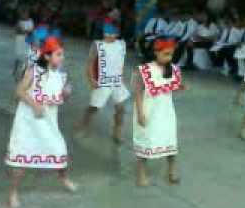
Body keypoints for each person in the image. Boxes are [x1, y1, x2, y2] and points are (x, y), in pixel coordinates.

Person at [5, 36, 77, 208]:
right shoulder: (33, 71)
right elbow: (19, 91)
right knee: (21, 156)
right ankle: (12, 192)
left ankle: (64, 178)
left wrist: (66, 94)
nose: (62, 58)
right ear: (47, 56)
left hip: (49, 123)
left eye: (62, 55)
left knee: (59, 149)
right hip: (28, 122)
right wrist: (34, 104)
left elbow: (59, 99)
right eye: (59, 55)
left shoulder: (61, 76)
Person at [133, 36, 184, 187]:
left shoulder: (173, 69)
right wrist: (140, 113)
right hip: (148, 110)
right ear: (156, 52)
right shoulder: (143, 70)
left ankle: (171, 169)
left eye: (171, 54)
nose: (169, 57)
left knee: (170, 140)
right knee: (146, 140)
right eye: (166, 54)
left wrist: (180, 87)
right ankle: (141, 172)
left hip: (166, 111)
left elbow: (174, 86)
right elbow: (137, 92)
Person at [78, 19, 130, 143]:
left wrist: (121, 77)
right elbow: (90, 63)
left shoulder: (121, 45)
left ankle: (117, 132)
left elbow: (120, 61)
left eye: (113, 31)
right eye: (107, 31)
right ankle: (83, 125)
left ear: (117, 33)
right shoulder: (98, 45)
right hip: (102, 82)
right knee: (94, 107)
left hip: (117, 82)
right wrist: (91, 80)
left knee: (121, 108)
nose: (109, 35)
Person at [13, 6, 34, 79]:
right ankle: (15, 69)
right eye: (23, 14)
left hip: (27, 41)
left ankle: (23, 72)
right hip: (19, 41)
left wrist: (26, 32)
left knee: (26, 57)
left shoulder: (31, 21)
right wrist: (26, 31)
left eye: (26, 13)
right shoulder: (19, 22)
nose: (25, 15)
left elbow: (31, 31)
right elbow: (18, 31)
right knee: (18, 57)